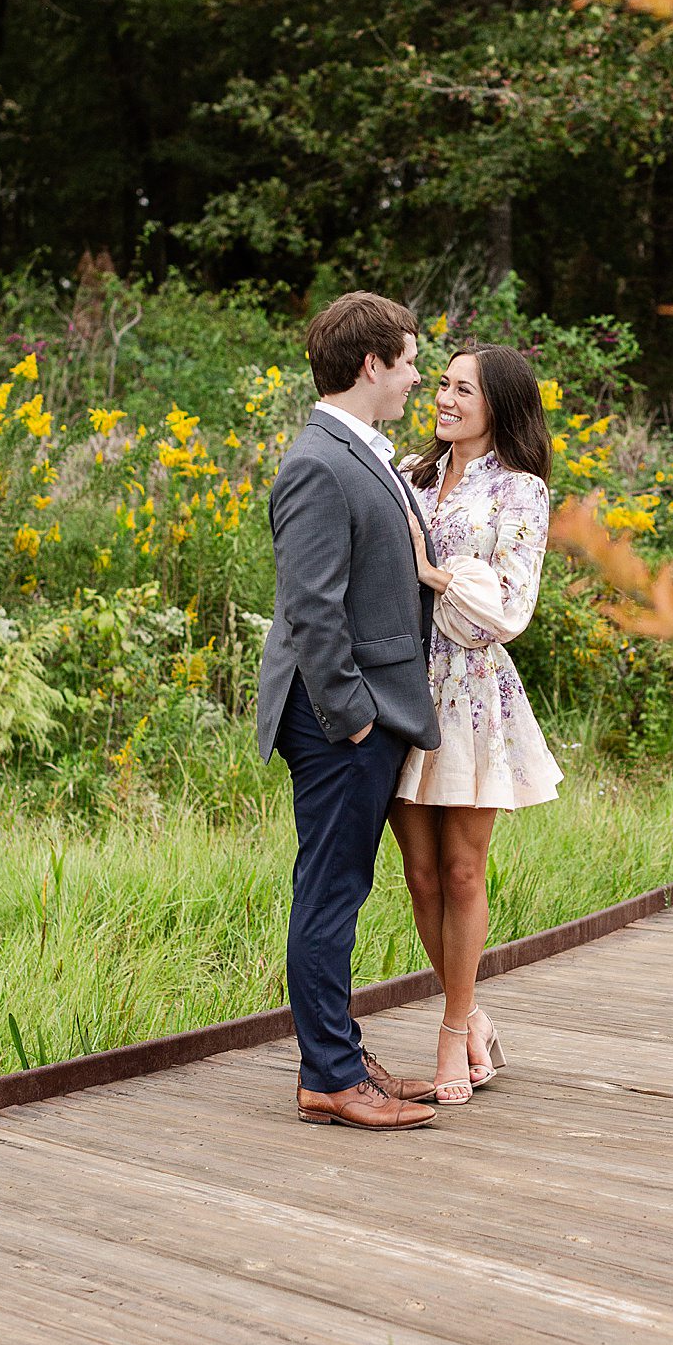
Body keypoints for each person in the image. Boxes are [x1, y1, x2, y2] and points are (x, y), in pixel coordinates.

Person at [257, 291, 443, 1131]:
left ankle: (339, 1051)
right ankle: (329, 1075)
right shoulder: (317, 462)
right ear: (371, 364)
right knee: (330, 892)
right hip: (338, 718)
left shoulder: (360, 452)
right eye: (407, 361)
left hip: (361, 710)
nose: (416, 377)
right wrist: (356, 717)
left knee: (343, 886)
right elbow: (311, 609)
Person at [391, 345, 562, 1105]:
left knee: (462, 871)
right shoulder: (409, 474)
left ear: (499, 404)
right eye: (444, 385)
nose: (445, 398)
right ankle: (478, 1014)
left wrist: (437, 575)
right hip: (400, 687)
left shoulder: (521, 492)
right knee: (419, 875)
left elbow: (508, 611)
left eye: (464, 389)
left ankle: (453, 1030)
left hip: (468, 694)